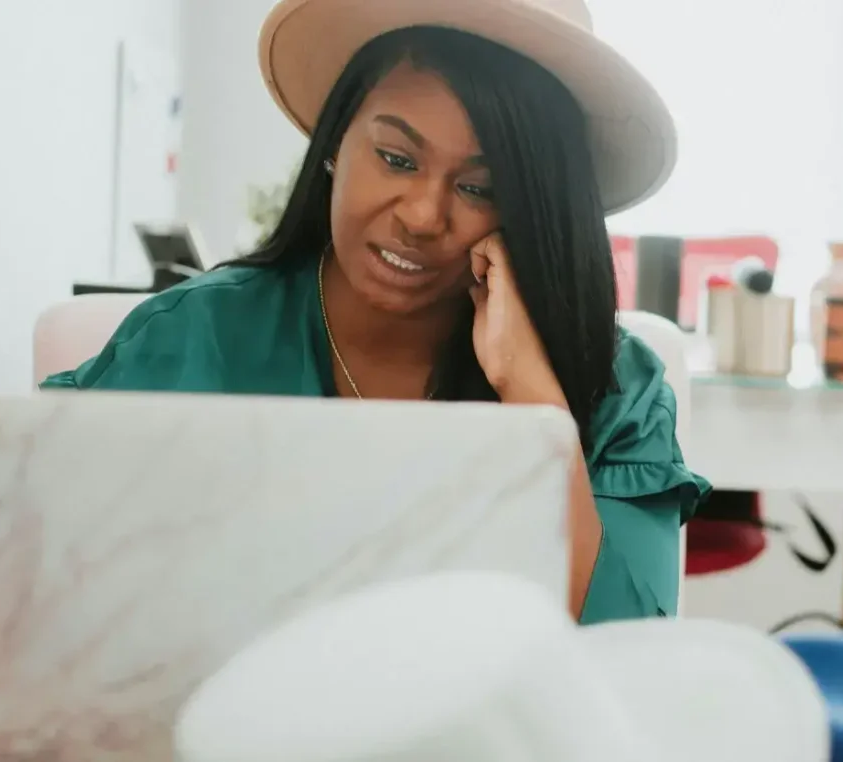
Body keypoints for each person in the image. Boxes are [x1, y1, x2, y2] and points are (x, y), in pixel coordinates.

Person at [39, 0, 710, 625]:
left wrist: (530, 392)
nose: (422, 216)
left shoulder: (617, 389)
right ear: (335, 145)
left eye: (479, 187)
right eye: (394, 158)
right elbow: (34, 582)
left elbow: (627, 661)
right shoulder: (191, 338)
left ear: (530, 212)